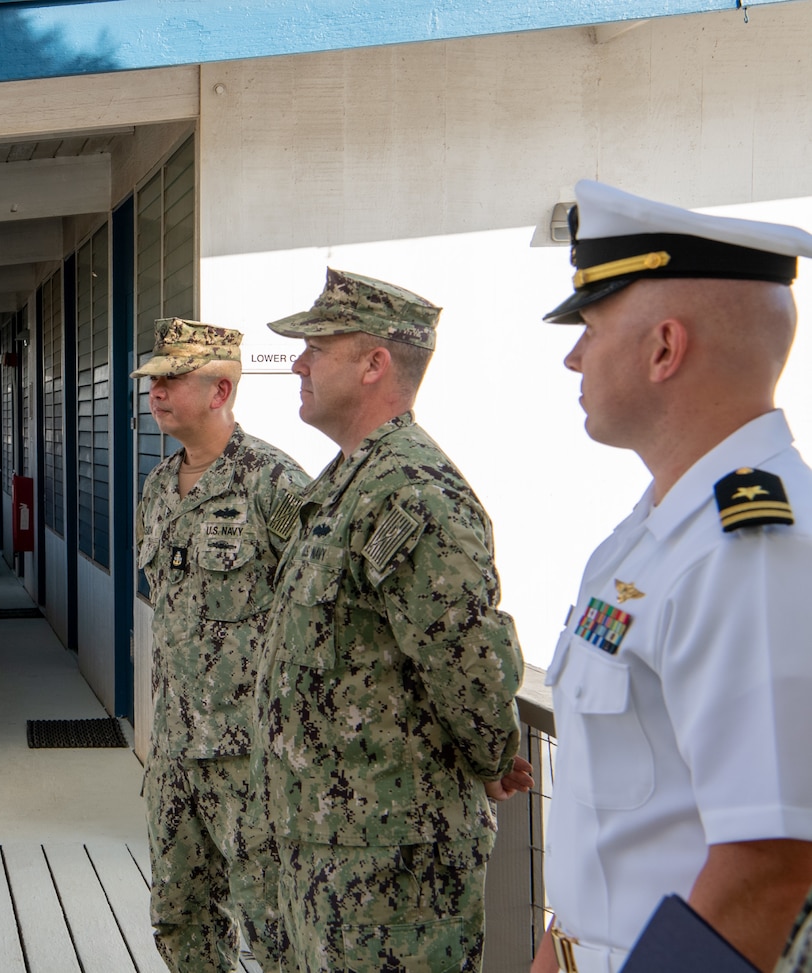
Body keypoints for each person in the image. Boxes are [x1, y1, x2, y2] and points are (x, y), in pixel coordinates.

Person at [532, 180, 812, 973]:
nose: (572, 355)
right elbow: (615, 830)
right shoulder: (649, 536)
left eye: (589, 326)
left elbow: (769, 863)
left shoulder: (752, 546)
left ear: (664, 347)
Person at [253, 269, 532, 973]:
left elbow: (467, 661)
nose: (298, 362)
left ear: (375, 363)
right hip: (329, 851)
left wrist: (495, 756)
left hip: (394, 873)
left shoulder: (412, 493)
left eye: (317, 346)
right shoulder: (349, 485)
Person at [132, 318, 308, 973]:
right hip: (175, 750)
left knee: (275, 930)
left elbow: (320, 617)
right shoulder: (157, 488)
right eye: (154, 379)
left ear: (221, 389)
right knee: (180, 920)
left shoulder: (275, 485)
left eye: (174, 378)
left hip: (251, 761)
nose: (157, 391)